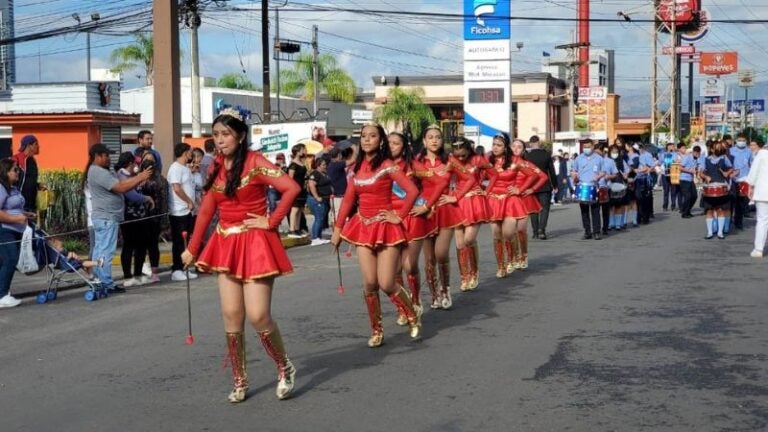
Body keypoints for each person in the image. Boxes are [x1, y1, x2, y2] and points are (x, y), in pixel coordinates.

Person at [182, 111, 300, 404]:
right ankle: (240, 379)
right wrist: (193, 248)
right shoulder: (215, 168)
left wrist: (270, 222)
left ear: (240, 135)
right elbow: (208, 210)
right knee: (232, 316)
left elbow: (291, 188)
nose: (220, 140)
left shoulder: (256, 162)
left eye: (225, 134)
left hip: (256, 242)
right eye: (217, 135)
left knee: (259, 315)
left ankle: (284, 367)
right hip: (226, 243)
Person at [330, 123, 422, 347]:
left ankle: (411, 311)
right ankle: (377, 330)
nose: (367, 140)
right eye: (364, 136)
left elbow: (412, 191)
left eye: (372, 136)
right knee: (370, 283)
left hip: (386, 227)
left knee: (387, 282)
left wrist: (399, 216)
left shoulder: (388, 166)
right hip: (363, 227)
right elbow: (349, 200)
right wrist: (338, 230)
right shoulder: (356, 168)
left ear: (381, 141)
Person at [388, 131, 443, 325]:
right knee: (393, 268)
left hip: (412, 217)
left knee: (409, 265)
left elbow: (440, 182)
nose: (392, 146)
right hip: (390, 218)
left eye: (396, 143)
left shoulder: (412, 166)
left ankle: (416, 299)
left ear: (404, 147)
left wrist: (426, 206)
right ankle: (404, 308)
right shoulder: (381, 166)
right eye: (389, 143)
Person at [85, 144, 152, 293]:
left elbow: (122, 185)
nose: (109, 158)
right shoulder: (98, 172)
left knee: (100, 251)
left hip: (105, 217)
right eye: (106, 155)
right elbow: (121, 187)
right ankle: (106, 283)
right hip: (106, 218)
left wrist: (138, 178)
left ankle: (99, 281)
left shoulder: (99, 171)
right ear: (97, 156)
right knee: (105, 252)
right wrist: (140, 176)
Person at [417, 125, 470, 310]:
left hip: (445, 210)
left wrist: (456, 196)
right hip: (424, 212)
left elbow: (470, 179)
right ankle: (434, 294)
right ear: (424, 141)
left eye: (438, 137)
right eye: (430, 137)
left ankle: (446, 289)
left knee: (441, 253)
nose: (434, 140)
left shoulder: (450, 161)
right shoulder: (417, 162)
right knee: (429, 257)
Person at [486, 133, 544, 277]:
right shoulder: (488, 160)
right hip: (493, 200)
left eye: (499, 145)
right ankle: (501, 266)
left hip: (514, 199)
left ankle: (519, 255)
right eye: (494, 144)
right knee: (496, 234)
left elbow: (538, 176)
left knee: (514, 232)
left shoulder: (518, 162)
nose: (495, 147)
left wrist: (525, 189)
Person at [451, 138, 491, 291]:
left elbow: (493, 174)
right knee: (460, 243)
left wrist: (486, 191)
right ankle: (464, 277)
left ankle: (474, 273)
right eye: (457, 155)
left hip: (474, 201)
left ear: (469, 150)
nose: (460, 158)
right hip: (457, 201)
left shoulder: (478, 159)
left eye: (463, 155)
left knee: (469, 240)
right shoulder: (451, 160)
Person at [115, 152, 154, 287]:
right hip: (129, 217)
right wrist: (146, 198)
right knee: (129, 245)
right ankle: (127, 276)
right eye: (135, 163)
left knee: (141, 245)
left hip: (140, 215)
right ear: (130, 163)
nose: (136, 166)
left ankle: (138, 273)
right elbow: (131, 195)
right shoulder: (121, 176)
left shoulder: (132, 176)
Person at [0, 158, 35, 308]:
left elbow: (14, 208)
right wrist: (15, 218)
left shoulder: (13, 188)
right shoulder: (1, 188)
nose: (18, 172)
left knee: (4, 262)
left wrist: (25, 214)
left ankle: (3, 292)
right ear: (5, 172)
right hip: (5, 230)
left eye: (18, 169)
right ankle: (2, 295)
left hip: (17, 230)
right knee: (11, 259)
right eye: (15, 169)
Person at [168, 143, 198, 282]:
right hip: (178, 211)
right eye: (190, 152)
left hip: (188, 211)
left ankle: (184, 267)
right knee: (179, 241)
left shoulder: (185, 168)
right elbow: (177, 188)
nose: (192, 155)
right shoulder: (175, 168)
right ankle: (177, 269)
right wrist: (188, 201)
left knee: (186, 241)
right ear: (185, 153)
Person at [136, 151, 168, 283]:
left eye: (152, 162)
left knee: (153, 245)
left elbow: (164, 200)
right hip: (139, 217)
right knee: (140, 246)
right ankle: (139, 272)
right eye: (146, 161)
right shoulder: (136, 179)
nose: (149, 165)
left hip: (155, 217)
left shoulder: (160, 180)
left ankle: (154, 272)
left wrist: (164, 220)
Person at [571, 139, 605, 239]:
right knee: (584, 211)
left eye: (588, 147)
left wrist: (599, 176)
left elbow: (603, 171)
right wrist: (574, 176)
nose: (586, 149)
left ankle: (597, 232)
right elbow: (574, 170)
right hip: (582, 185)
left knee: (595, 210)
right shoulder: (578, 158)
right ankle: (587, 231)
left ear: (593, 147)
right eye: (584, 147)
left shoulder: (599, 158)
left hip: (594, 186)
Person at [700, 142, 734, 239]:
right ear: (711, 149)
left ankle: (720, 232)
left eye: (720, 147)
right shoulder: (705, 159)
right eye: (717, 147)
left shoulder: (724, 158)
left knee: (721, 210)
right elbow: (700, 172)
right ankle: (710, 232)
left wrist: (727, 173)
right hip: (709, 187)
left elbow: (731, 168)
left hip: (722, 186)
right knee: (709, 210)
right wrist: (705, 176)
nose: (719, 149)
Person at [525, 135, 556, 240]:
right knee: (545, 209)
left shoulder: (527, 156)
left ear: (530, 143)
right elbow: (552, 171)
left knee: (533, 209)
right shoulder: (546, 155)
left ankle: (535, 232)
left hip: (531, 186)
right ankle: (542, 230)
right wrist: (555, 185)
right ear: (539, 143)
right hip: (545, 185)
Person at [747, 140, 768, 257]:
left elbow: (753, 172)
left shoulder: (762, 154)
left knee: (762, 220)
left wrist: (750, 187)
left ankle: (758, 249)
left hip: (763, 191)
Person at [12, 134, 42, 212]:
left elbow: (28, 180)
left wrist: (38, 185)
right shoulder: (16, 159)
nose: (38, 146)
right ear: (29, 145)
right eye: (36, 144)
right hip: (20, 205)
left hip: (31, 204)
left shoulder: (32, 161)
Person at [730, 134, 753, 231]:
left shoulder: (749, 151)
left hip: (744, 178)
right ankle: (729, 218)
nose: (741, 141)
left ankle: (738, 221)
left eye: (743, 140)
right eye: (739, 140)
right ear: (736, 140)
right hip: (733, 178)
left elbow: (751, 163)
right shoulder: (731, 150)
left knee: (741, 201)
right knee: (732, 200)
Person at [307, 158, 332, 246]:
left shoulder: (324, 173)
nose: (325, 166)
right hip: (316, 199)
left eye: (325, 164)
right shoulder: (315, 174)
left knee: (321, 218)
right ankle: (315, 238)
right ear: (318, 165)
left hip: (325, 198)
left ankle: (318, 236)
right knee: (319, 218)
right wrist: (317, 197)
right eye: (323, 165)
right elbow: (311, 185)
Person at [287, 144, 308, 239]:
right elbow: (290, 178)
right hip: (295, 189)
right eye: (303, 149)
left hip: (302, 189)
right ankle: (291, 229)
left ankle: (297, 228)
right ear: (297, 151)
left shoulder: (302, 163)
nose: (304, 151)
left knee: (300, 209)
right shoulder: (293, 165)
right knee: (294, 209)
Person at [635, 144, 656, 225]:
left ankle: (646, 217)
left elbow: (652, 166)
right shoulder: (638, 155)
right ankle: (639, 217)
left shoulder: (647, 155)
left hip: (645, 179)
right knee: (639, 199)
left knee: (645, 199)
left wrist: (645, 170)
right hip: (638, 179)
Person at [326, 147, 348, 224]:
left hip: (334, 194)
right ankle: (338, 233)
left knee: (334, 214)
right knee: (339, 214)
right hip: (339, 195)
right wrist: (354, 149)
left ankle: (335, 231)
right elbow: (352, 161)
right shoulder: (338, 164)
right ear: (339, 155)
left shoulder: (330, 165)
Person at [678, 144, 699, 219]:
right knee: (688, 196)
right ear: (693, 152)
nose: (697, 155)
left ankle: (688, 210)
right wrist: (689, 171)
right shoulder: (687, 158)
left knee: (694, 196)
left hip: (690, 180)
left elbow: (694, 169)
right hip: (684, 179)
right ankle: (684, 212)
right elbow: (680, 168)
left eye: (698, 154)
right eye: (696, 153)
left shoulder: (695, 159)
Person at [660, 142, 680, 212]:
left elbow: (677, 161)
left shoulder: (675, 154)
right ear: (667, 147)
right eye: (671, 146)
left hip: (673, 173)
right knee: (666, 191)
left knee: (673, 191)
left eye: (673, 146)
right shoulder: (663, 154)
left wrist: (675, 161)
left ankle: (673, 205)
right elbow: (660, 162)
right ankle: (665, 206)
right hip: (664, 174)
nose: (672, 147)